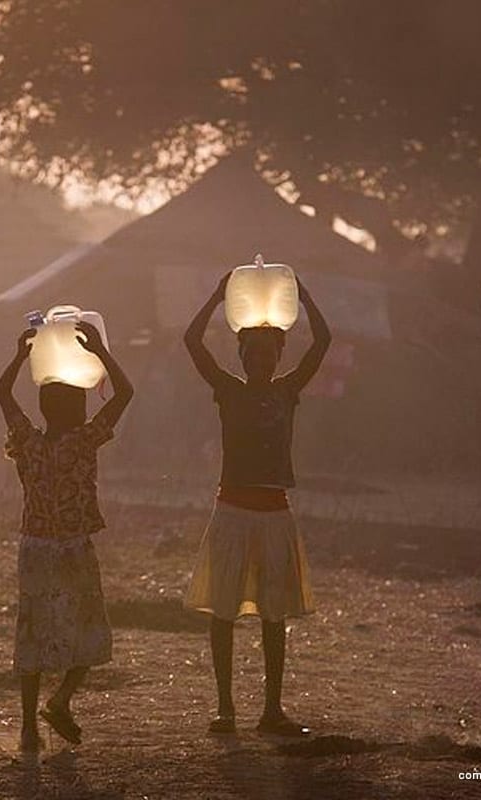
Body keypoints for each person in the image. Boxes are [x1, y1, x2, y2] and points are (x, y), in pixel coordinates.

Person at [182, 273, 330, 737]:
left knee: (273, 615)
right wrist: (215, 292)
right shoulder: (229, 389)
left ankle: (272, 710)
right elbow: (192, 340)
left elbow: (323, 340)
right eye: (251, 354)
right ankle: (225, 709)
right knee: (223, 613)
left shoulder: (288, 390)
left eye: (268, 354)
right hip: (232, 512)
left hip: (274, 514)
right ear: (240, 357)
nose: (260, 361)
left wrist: (302, 295)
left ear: (280, 357)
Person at [0, 320, 134, 752]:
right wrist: (100, 352)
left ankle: (28, 728)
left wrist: (21, 355)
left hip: (35, 549)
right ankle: (60, 701)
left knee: (33, 636)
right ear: (77, 411)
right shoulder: (84, 441)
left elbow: (2, 394)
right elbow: (125, 394)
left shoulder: (28, 442)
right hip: (73, 547)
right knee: (88, 633)